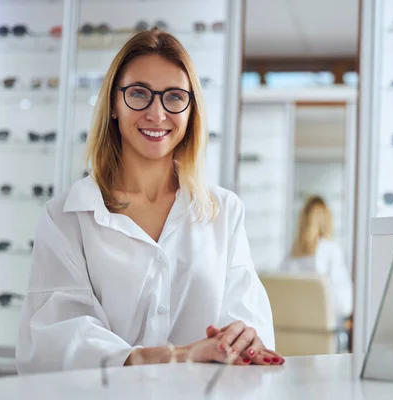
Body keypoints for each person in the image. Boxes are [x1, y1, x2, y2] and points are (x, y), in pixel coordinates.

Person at [16, 29, 282, 374]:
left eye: (174, 97)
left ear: (190, 111)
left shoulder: (224, 212)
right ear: (113, 103)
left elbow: (249, 324)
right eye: (139, 93)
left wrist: (245, 339)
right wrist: (174, 356)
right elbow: (54, 341)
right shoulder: (67, 217)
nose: (157, 114)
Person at [281, 196, 353, 320]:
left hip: (293, 326)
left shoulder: (291, 254)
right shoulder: (332, 250)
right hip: (322, 328)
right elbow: (344, 306)